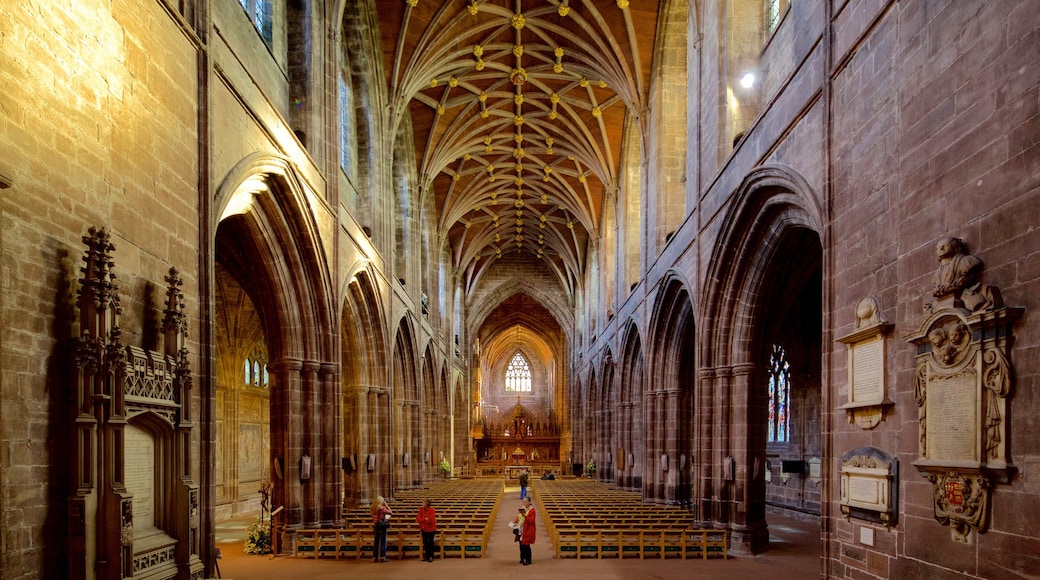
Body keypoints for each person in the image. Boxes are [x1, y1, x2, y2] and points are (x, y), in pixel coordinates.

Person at [371, 495, 392, 563]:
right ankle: (383, 557)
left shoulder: (373, 508)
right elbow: (390, 512)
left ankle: (375, 557)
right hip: (382, 526)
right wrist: (386, 505)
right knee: (383, 542)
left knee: (376, 542)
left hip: (375, 526)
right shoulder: (381, 508)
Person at [416, 498, 437, 562]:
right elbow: (418, 519)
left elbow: (430, 520)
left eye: (423, 503)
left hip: (431, 529)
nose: (422, 504)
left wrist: (423, 520)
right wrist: (425, 519)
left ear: (427, 504)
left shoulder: (431, 510)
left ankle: (431, 556)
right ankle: (426, 556)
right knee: (425, 543)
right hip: (423, 529)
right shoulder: (421, 510)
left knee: (430, 543)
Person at [519, 496, 536, 565]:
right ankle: (522, 558)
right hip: (522, 528)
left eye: (526, 502)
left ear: (529, 502)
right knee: (521, 545)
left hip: (528, 529)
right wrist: (515, 523)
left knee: (526, 545)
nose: (524, 503)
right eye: (524, 502)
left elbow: (531, 521)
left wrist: (525, 516)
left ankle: (528, 560)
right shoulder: (523, 509)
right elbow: (518, 517)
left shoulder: (532, 511)